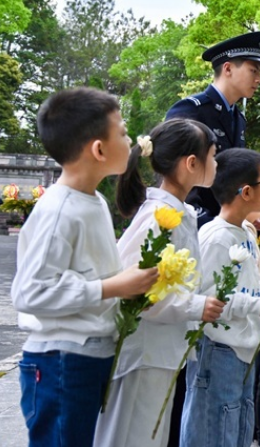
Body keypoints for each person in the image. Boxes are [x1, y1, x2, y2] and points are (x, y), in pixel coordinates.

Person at [11, 87, 159, 447]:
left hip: (82, 356)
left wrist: (130, 291)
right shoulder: (60, 211)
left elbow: (92, 277)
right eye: (122, 132)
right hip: (61, 361)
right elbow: (30, 292)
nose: (130, 140)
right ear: (98, 149)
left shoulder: (90, 203)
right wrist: (114, 288)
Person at [94, 118, 226, 447]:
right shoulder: (159, 217)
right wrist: (196, 305)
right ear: (191, 164)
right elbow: (135, 291)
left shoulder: (176, 213)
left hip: (158, 352)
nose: (217, 164)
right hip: (145, 354)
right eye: (213, 156)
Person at [180, 148, 260, 447]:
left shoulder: (245, 234)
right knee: (215, 427)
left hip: (242, 347)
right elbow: (211, 298)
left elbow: (250, 281)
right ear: (247, 191)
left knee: (238, 422)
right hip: (219, 350)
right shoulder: (216, 237)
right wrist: (258, 306)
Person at [165, 30, 260, 228]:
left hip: (225, 228)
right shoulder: (191, 110)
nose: (259, 79)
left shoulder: (238, 118)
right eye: (253, 70)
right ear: (228, 69)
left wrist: (244, 214)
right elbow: (177, 175)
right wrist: (206, 223)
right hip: (194, 227)